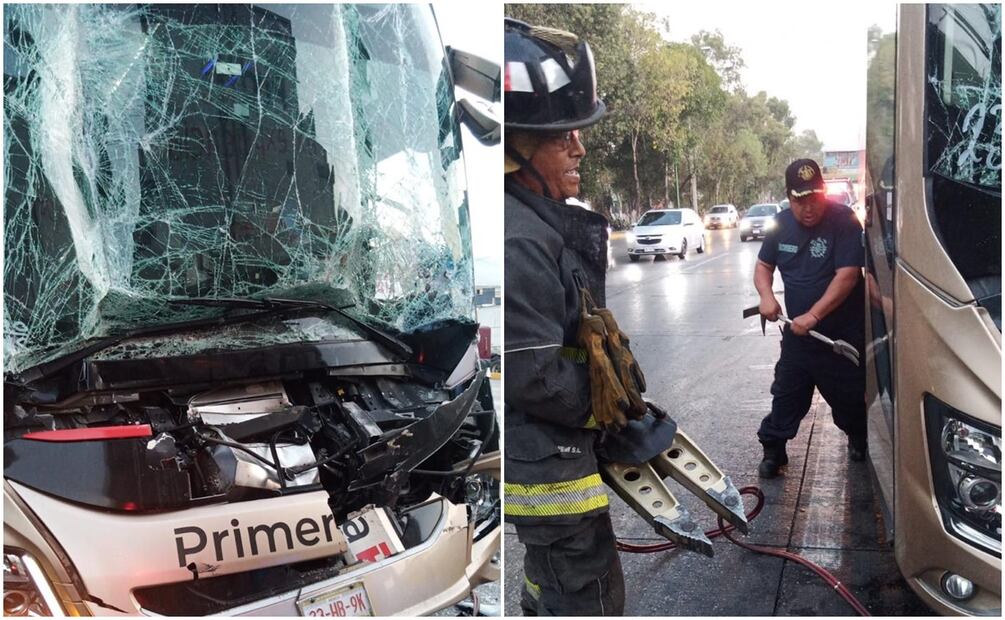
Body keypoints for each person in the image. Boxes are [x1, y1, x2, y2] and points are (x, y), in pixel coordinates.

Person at [501, 18, 625, 616]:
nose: (579, 146)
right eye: (562, 136)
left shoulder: (539, 223)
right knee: (581, 599)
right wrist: (610, 405)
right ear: (515, 148)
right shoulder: (519, 240)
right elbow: (536, 374)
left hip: (562, 460)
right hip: (549, 480)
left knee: (556, 591)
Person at [755, 158, 867, 478]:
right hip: (800, 337)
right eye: (800, 200)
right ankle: (774, 449)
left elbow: (847, 276)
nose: (808, 208)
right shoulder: (779, 225)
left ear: (823, 193)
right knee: (786, 395)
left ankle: (857, 436)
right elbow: (764, 267)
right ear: (789, 198)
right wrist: (767, 296)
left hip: (839, 336)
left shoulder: (843, 220)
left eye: (814, 198)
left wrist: (815, 315)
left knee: (848, 399)